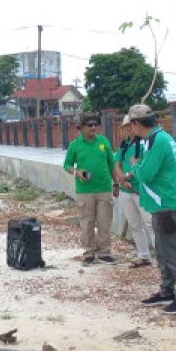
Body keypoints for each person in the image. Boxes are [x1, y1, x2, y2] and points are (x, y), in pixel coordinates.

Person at [126, 104, 176, 315]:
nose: (130, 129)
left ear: (137, 123)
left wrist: (134, 167)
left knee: (173, 250)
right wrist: (139, 167)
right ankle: (167, 291)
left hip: (166, 203)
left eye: (131, 124)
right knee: (163, 250)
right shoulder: (156, 138)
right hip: (161, 203)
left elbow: (145, 172)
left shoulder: (157, 141)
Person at [62, 112, 116, 265]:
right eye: (89, 125)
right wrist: (77, 172)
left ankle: (105, 253)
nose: (93, 127)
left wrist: (116, 183)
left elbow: (112, 164)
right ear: (81, 128)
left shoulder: (104, 142)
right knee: (87, 223)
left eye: (95, 125)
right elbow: (66, 165)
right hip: (85, 191)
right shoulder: (75, 145)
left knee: (104, 222)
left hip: (104, 188)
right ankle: (89, 254)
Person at [113, 116, 154, 269]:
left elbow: (143, 165)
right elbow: (116, 163)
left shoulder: (143, 144)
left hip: (139, 190)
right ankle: (143, 255)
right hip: (125, 190)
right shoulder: (124, 145)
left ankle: (162, 258)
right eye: (126, 126)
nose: (129, 129)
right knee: (135, 224)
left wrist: (128, 176)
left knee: (150, 224)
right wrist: (121, 179)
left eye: (131, 125)